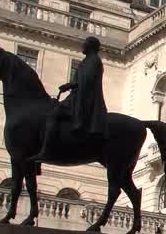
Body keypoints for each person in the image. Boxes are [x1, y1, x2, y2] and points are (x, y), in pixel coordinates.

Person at [30, 35, 108, 164]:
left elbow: (87, 80)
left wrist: (70, 85)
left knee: (53, 115)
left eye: (85, 43)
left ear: (91, 46)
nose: (83, 45)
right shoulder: (88, 60)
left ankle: (47, 150)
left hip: (83, 99)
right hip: (78, 96)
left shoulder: (93, 60)